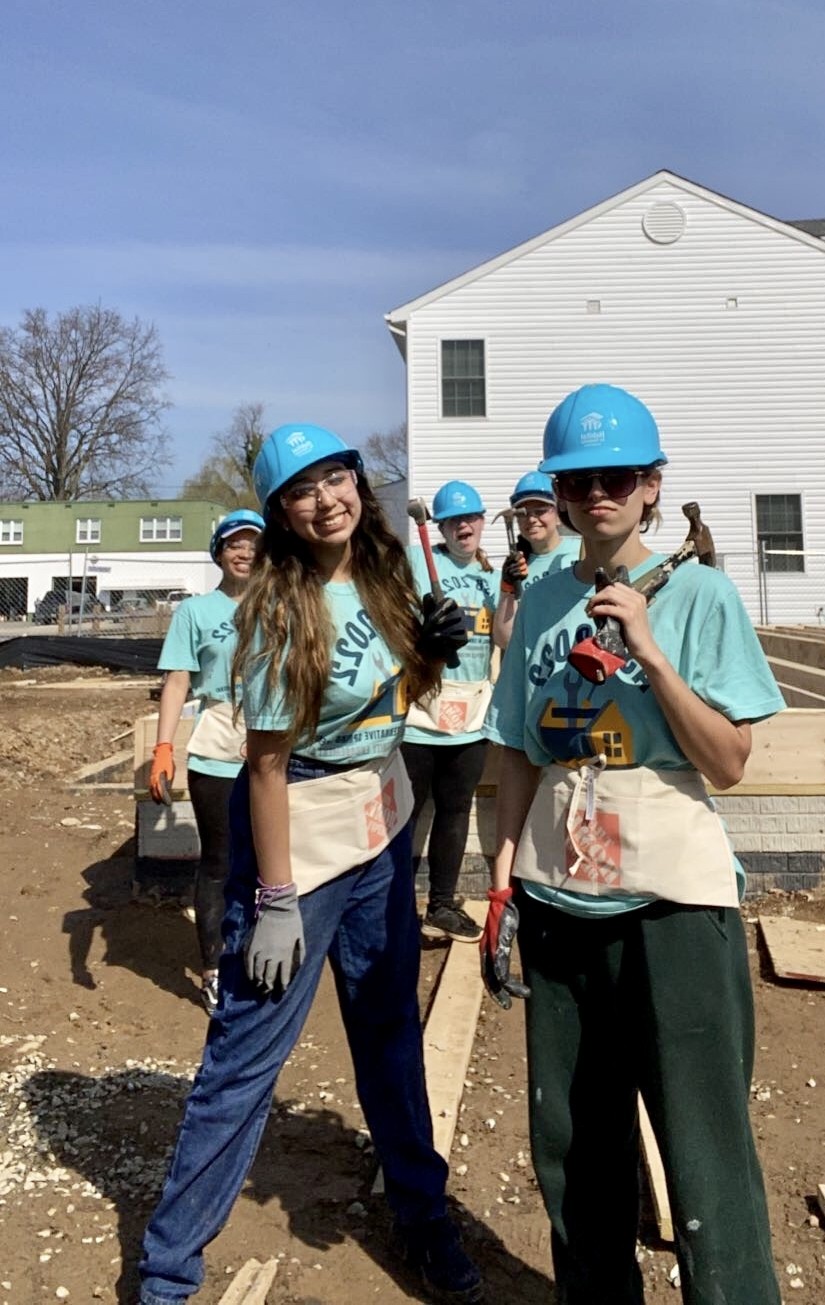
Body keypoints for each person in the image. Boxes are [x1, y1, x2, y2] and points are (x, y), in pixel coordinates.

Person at [138, 424, 482, 1305]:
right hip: (300, 833)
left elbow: (394, 698)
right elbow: (265, 766)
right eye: (303, 489)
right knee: (246, 1056)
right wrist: (279, 898)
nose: (328, 498)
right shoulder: (277, 610)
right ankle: (168, 1274)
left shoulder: (386, 573)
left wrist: (434, 647)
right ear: (281, 516)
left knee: (390, 1034)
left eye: (339, 477)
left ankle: (421, 1213)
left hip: (380, 827)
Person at [481, 383, 785, 1304]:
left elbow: (729, 759)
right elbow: (516, 756)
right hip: (557, 900)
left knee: (703, 1150)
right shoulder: (538, 601)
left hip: (672, 909)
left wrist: (650, 652)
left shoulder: (699, 594)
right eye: (578, 480)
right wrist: (500, 892)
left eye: (618, 477)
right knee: (573, 1147)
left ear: (653, 487)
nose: (597, 494)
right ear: (559, 496)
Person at [149, 507, 264, 1015]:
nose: (245, 553)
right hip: (218, 743)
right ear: (219, 553)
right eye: (235, 544)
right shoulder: (195, 612)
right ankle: (214, 967)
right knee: (220, 858)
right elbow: (177, 680)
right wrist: (163, 747)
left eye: (254, 544)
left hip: (273, 741)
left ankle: (261, 955)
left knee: (270, 857)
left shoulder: (282, 604)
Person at [402, 480, 499, 943]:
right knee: (407, 812)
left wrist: (513, 590)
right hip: (422, 710)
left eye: (472, 518)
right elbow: (395, 622)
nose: (465, 525)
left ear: (482, 522)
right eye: (454, 520)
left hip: (472, 710)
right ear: (438, 526)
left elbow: (504, 634)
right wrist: (422, 631)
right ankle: (395, 909)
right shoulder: (421, 564)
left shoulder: (490, 576)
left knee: (456, 809)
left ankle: (441, 904)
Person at [493, 470, 580, 649]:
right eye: (523, 513)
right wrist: (508, 587)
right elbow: (504, 640)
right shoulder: (517, 568)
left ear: (558, 515)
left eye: (540, 511)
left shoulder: (581, 552)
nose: (531, 519)